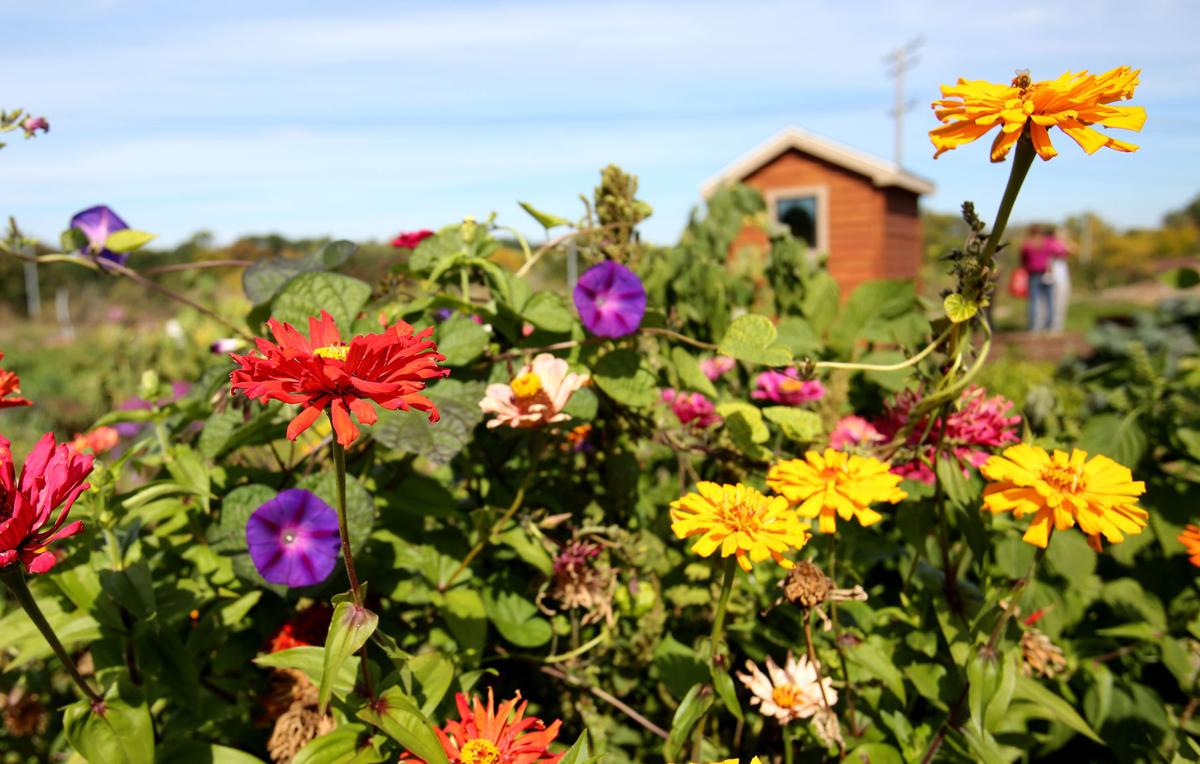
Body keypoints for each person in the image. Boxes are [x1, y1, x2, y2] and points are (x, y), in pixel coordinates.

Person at [1018, 224, 1065, 333]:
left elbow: (1023, 259)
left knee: (1034, 301)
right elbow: (1060, 251)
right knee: (1049, 301)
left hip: (1033, 274)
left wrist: (1026, 268)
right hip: (1047, 274)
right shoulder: (1048, 242)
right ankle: (1051, 326)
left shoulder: (1027, 244)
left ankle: (1034, 327)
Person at [1045, 226, 1073, 333]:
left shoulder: (1060, 244)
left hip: (1062, 275)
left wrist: (1065, 241)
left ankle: (1057, 325)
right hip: (1055, 276)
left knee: (1061, 301)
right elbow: (1069, 250)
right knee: (1054, 301)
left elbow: (1073, 249)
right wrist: (1064, 242)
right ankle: (1052, 326)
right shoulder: (1051, 244)